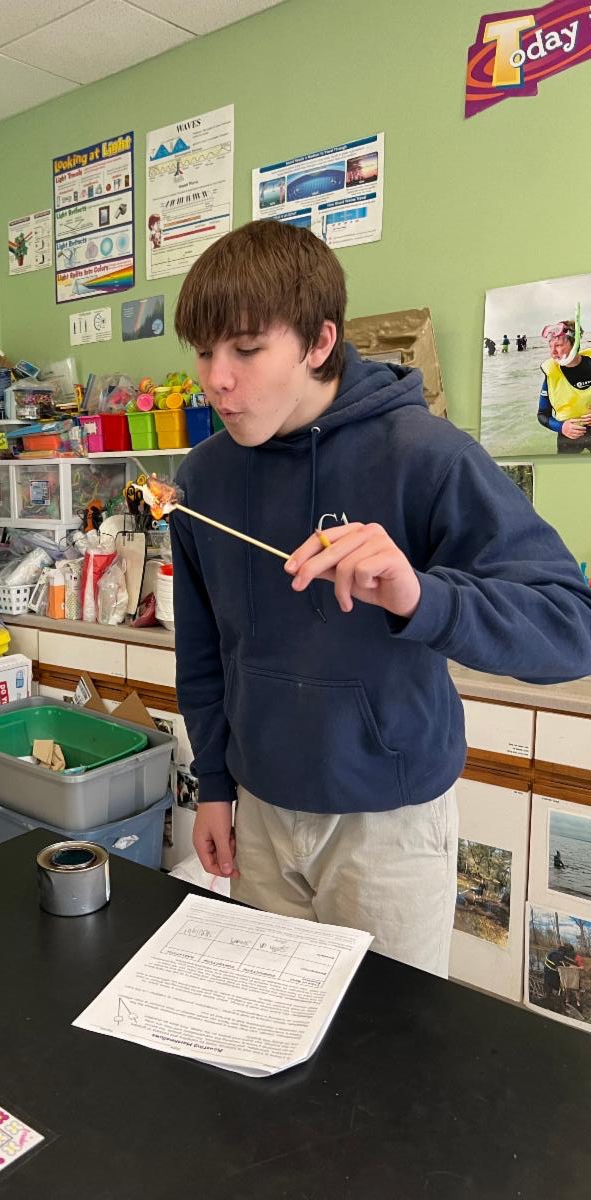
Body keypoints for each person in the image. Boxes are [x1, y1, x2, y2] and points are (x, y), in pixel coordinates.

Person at [170, 219, 591, 977]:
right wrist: (214, 786)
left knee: (390, 1042)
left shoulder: (425, 455)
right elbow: (204, 651)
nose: (216, 379)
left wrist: (421, 597)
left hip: (388, 828)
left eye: (246, 349)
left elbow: (571, 625)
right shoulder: (202, 479)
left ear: (319, 342)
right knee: (274, 1031)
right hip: (259, 814)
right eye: (204, 352)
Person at [536, 319, 591, 453]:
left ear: (575, 343)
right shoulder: (552, 374)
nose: (553, 352)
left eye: (559, 345)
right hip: (568, 437)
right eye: (550, 347)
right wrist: (561, 427)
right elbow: (542, 415)